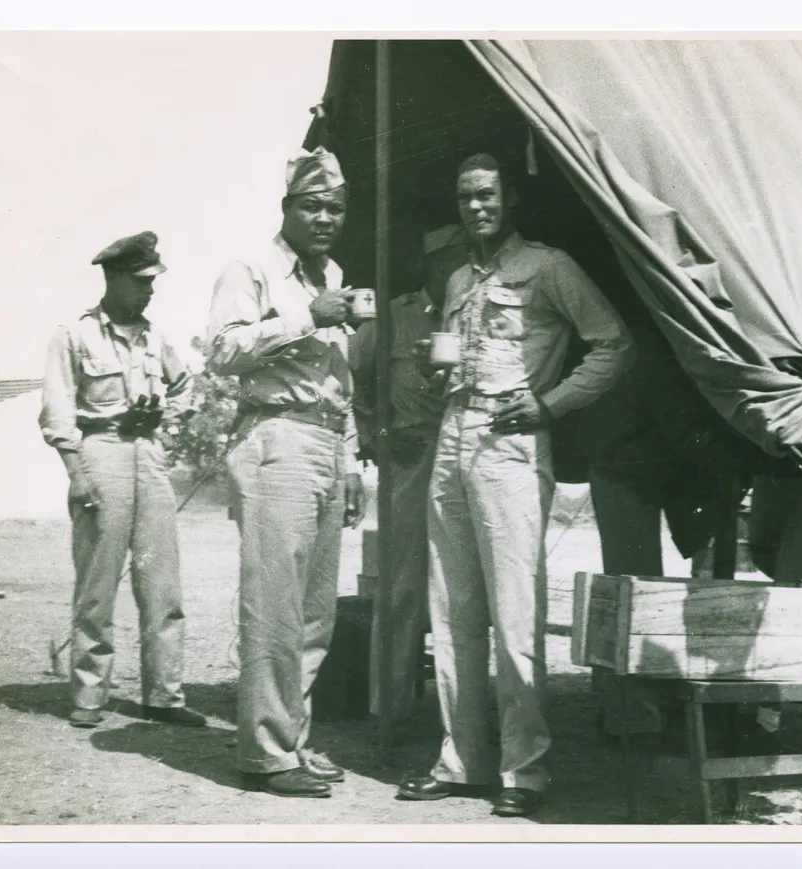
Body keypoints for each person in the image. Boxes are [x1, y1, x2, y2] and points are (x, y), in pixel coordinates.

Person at [396, 153, 633, 817]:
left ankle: (524, 770)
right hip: (454, 435)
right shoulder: (457, 277)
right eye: (467, 196)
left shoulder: (548, 267)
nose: (478, 207)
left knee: (514, 612)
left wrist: (552, 404)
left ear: (511, 200)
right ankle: (463, 758)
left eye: (489, 195)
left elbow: (613, 342)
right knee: (454, 608)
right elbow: (452, 360)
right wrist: (433, 363)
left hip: (511, 443)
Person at [206, 146, 367, 798]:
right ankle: (266, 753)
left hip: (326, 441)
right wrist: (307, 316)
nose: (325, 216)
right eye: (312, 205)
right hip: (275, 439)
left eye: (335, 207)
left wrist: (351, 455)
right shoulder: (253, 270)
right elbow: (222, 349)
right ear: (286, 208)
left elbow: (339, 376)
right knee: (274, 606)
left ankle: (291, 740)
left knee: (313, 611)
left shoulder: (333, 273)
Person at [40, 231, 206, 730]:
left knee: (162, 584)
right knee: (97, 583)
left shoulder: (155, 338)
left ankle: (165, 695)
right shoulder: (73, 334)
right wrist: (76, 473)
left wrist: (169, 424)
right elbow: (58, 409)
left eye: (152, 281)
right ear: (112, 278)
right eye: (139, 281)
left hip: (148, 455)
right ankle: (90, 696)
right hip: (100, 453)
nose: (148, 291)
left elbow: (185, 385)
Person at [349, 223, 469, 732]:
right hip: (411, 461)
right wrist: (375, 437)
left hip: (466, 459)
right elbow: (348, 377)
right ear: (436, 265)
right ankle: (390, 709)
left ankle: (458, 715)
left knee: (461, 594)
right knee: (400, 591)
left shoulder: (475, 316)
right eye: (456, 262)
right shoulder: (395, 317)